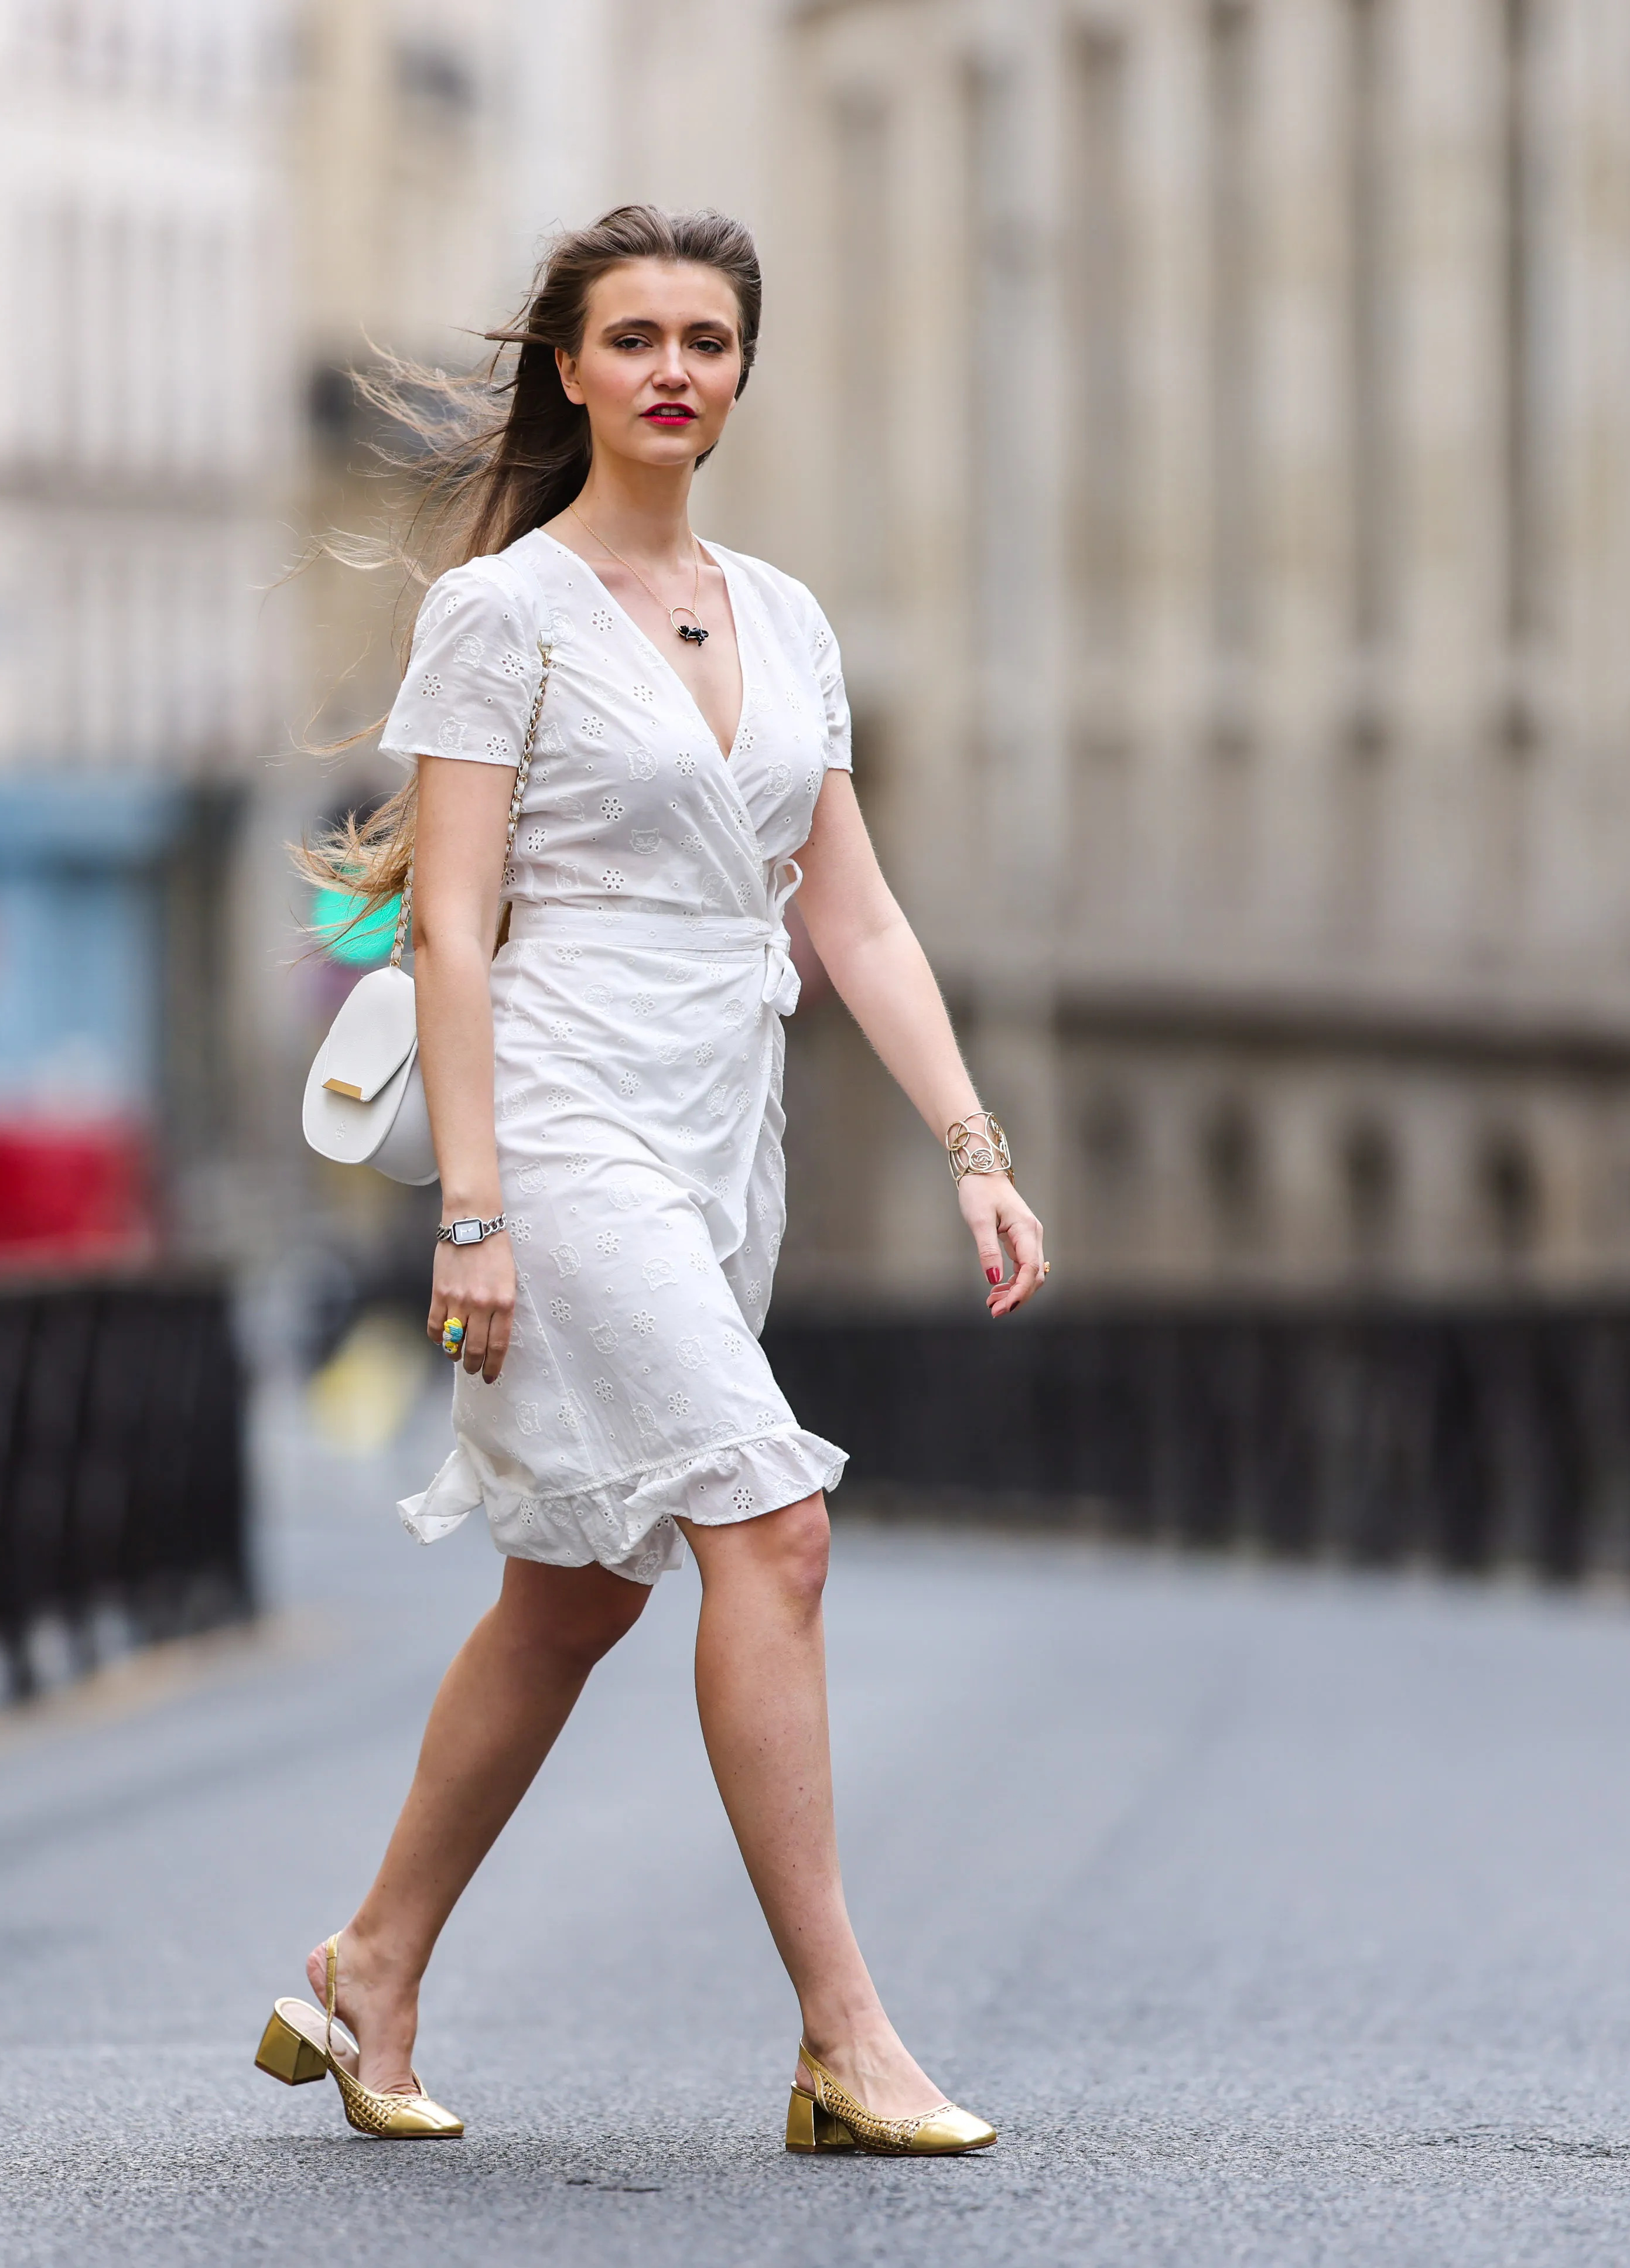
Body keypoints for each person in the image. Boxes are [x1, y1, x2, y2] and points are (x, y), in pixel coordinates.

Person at [264, 205, 1048, 2157]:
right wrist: (472, 1206)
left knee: (574, 1599)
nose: (674, 369)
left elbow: (851, 916)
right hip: (554, 1111)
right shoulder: (502, 615)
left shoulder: (784, 620)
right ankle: (845, 2035)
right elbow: (449, 930)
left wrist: (975, 1152)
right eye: (635, 338)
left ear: (741, 371)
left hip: (719, 1131)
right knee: (771, 1525)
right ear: (571, 370)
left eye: (708, 338)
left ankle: (370, 1964)